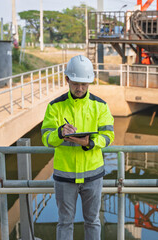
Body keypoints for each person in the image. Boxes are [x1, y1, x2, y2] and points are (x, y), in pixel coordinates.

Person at [41, 55, 114, 240]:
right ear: (67, 79)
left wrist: (89, 143)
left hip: (93, 175)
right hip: (65, 175)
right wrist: (59, 133)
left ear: (90, 82)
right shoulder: (55, 107)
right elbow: (46, 138)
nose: (80, 88)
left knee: (93, 220)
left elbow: (108, 136)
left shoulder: (101, 106)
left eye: (84, 84)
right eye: (75, 84)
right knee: (65, 222)